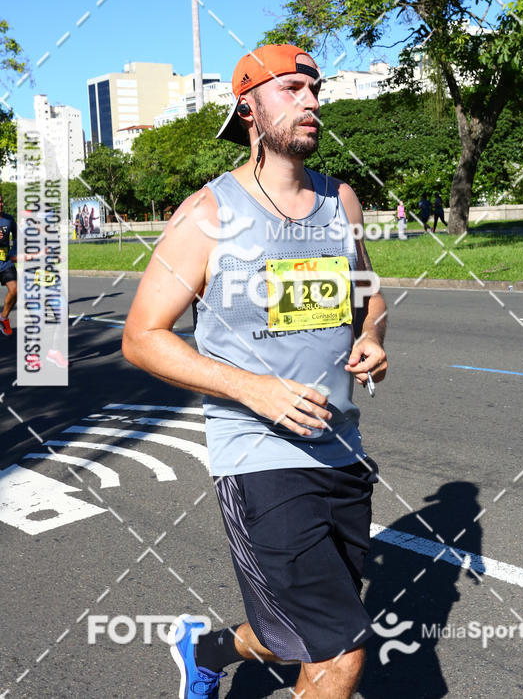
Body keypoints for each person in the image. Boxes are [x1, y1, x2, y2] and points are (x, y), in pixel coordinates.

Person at [123, 44, 388, 699]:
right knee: (340, 653)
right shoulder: (208, 215)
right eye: (292, 89)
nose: (311, 101)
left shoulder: (341, 201)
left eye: (315, 89)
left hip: (341, 451)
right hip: (259, 460)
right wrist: (253, 388)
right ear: (248, 108)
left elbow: (368, 298)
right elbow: (141, 337)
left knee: (292, 633)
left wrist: (374, 337)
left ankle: (206, 647)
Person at [0, 194, 17, 336]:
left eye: (1, 202)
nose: (0, 205)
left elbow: (17, 238)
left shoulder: (9, 219)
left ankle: (3, 318)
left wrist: (14, 252)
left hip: (5, 261)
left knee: (15, 290)